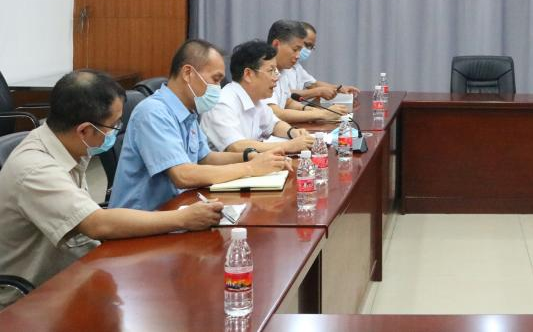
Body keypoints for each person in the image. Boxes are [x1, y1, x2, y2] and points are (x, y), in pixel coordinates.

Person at [0, 71, 223, 307]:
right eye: (114, 125)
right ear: (84, 130)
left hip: (78, 271)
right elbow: (97, 224)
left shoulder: (68, 146)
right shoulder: (35, 168)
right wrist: (184, 218)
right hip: (32, 299)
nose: (117, 130)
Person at [109, 39, 290, 212]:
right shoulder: (153, 112)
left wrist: (250, 156)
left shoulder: (188, 111)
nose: (218, 88)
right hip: (144, 219)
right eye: (215, 79)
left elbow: (206, 158)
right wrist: (251, 168)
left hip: (178, 208)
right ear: (188, 73)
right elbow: (182, 175)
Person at [200, 39, 316, 155]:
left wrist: (293, 132)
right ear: (248, 74)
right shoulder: (223, 103)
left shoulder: (256, 99)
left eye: (275, 70)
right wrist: (288, 146)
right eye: (271, 70)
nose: (276, 77)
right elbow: (236, 146)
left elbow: (274, 124)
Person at [263, 19, 349, 124]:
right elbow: (275, 113)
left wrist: (315, 110)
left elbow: (288, 102)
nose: (298, 56)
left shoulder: (281, 70)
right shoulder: (262, 71)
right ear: (276, 44)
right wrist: (322, 114)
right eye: (295, 50)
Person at [290, 21, 360, 103]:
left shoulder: (296, 66)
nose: (308, 50)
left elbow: (313, 84)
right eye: (307, 45)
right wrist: (318, 92)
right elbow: (286, 94)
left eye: (311, 47)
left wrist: (340, 89)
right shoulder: (279, 66)